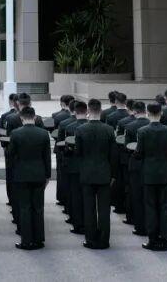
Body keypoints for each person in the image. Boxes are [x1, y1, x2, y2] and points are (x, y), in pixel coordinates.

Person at [135, 102, 167, 252]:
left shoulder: (142, 131)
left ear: (147, 113)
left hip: (149, 174)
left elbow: (139, 154)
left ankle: (152, 239)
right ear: (161, 113)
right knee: (165, 207)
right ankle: (165, 239)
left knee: (150, 206)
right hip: (165, 173)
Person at [8, 105, 49, 250]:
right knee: (38, 207)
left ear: (21, 118)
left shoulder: (15, 134)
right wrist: (47, 175)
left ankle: (26, 240)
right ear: (35, 117)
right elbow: (47, 157)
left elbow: (11, 155)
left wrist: (13, 172)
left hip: (22, 174)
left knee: (24, 208)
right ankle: (39, 239)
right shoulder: (43, 133)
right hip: (39, 174)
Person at [76, 98, 114, 250]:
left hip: (87, 172)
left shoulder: (80, 130)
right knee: (104, 210)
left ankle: (91, 239)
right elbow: (113, 155)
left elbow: (78, 153)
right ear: (101, 110)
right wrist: (113, 174)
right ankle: (104, 240)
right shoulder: (109, 129)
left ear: (88, 111)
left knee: (89, 208)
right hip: (104, 172)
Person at [120, 100, 151, 233]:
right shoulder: (152, 124)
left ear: (134, 111)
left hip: (135, 165)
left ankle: (138, 224)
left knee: (136, 195)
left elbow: (126, 147)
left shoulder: (129, 126)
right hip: (150, 165)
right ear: (145, 110)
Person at [58, 100, 88, 235]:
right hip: (89, 167)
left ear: (74, 112)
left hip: (73, 166)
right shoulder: (94, 127)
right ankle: (90, 224)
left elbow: (62, 147)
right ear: (87, 111)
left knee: (75, 196)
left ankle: (77, 223)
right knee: (88, 198)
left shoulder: (69, 127)